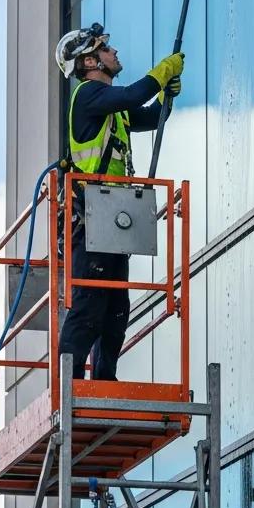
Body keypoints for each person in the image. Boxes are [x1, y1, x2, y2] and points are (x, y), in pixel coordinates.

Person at [53, 22, 184, 380]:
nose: (115, 53)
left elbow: (150, 116)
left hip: (113, 218)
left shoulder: (114, 109)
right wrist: (161, 74)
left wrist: (165, 98)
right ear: (90, 61)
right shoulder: (88, 96)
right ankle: (71, 382)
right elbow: (130, 96)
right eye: (106, 49)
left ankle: (104, 377)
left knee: (115, 309)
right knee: (90, 306)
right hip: (92, 216)